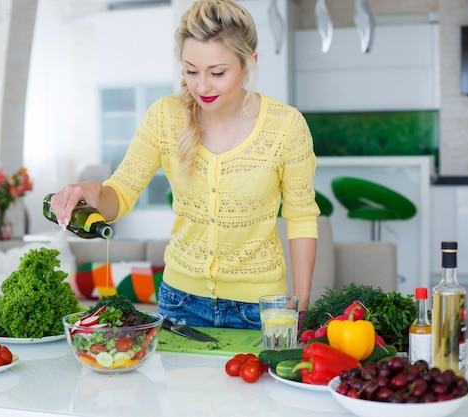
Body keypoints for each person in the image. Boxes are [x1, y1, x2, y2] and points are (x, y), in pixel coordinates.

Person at [50, 0, 319, 330]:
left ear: (249, 65)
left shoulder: (286, 126)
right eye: (191, 71)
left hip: (259, 309)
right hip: (179, 303)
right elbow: (120, 193)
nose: (202, 86)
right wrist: (90, 191)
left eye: (217, 73)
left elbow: (302, 217)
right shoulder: (166, 117)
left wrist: (301, 307)